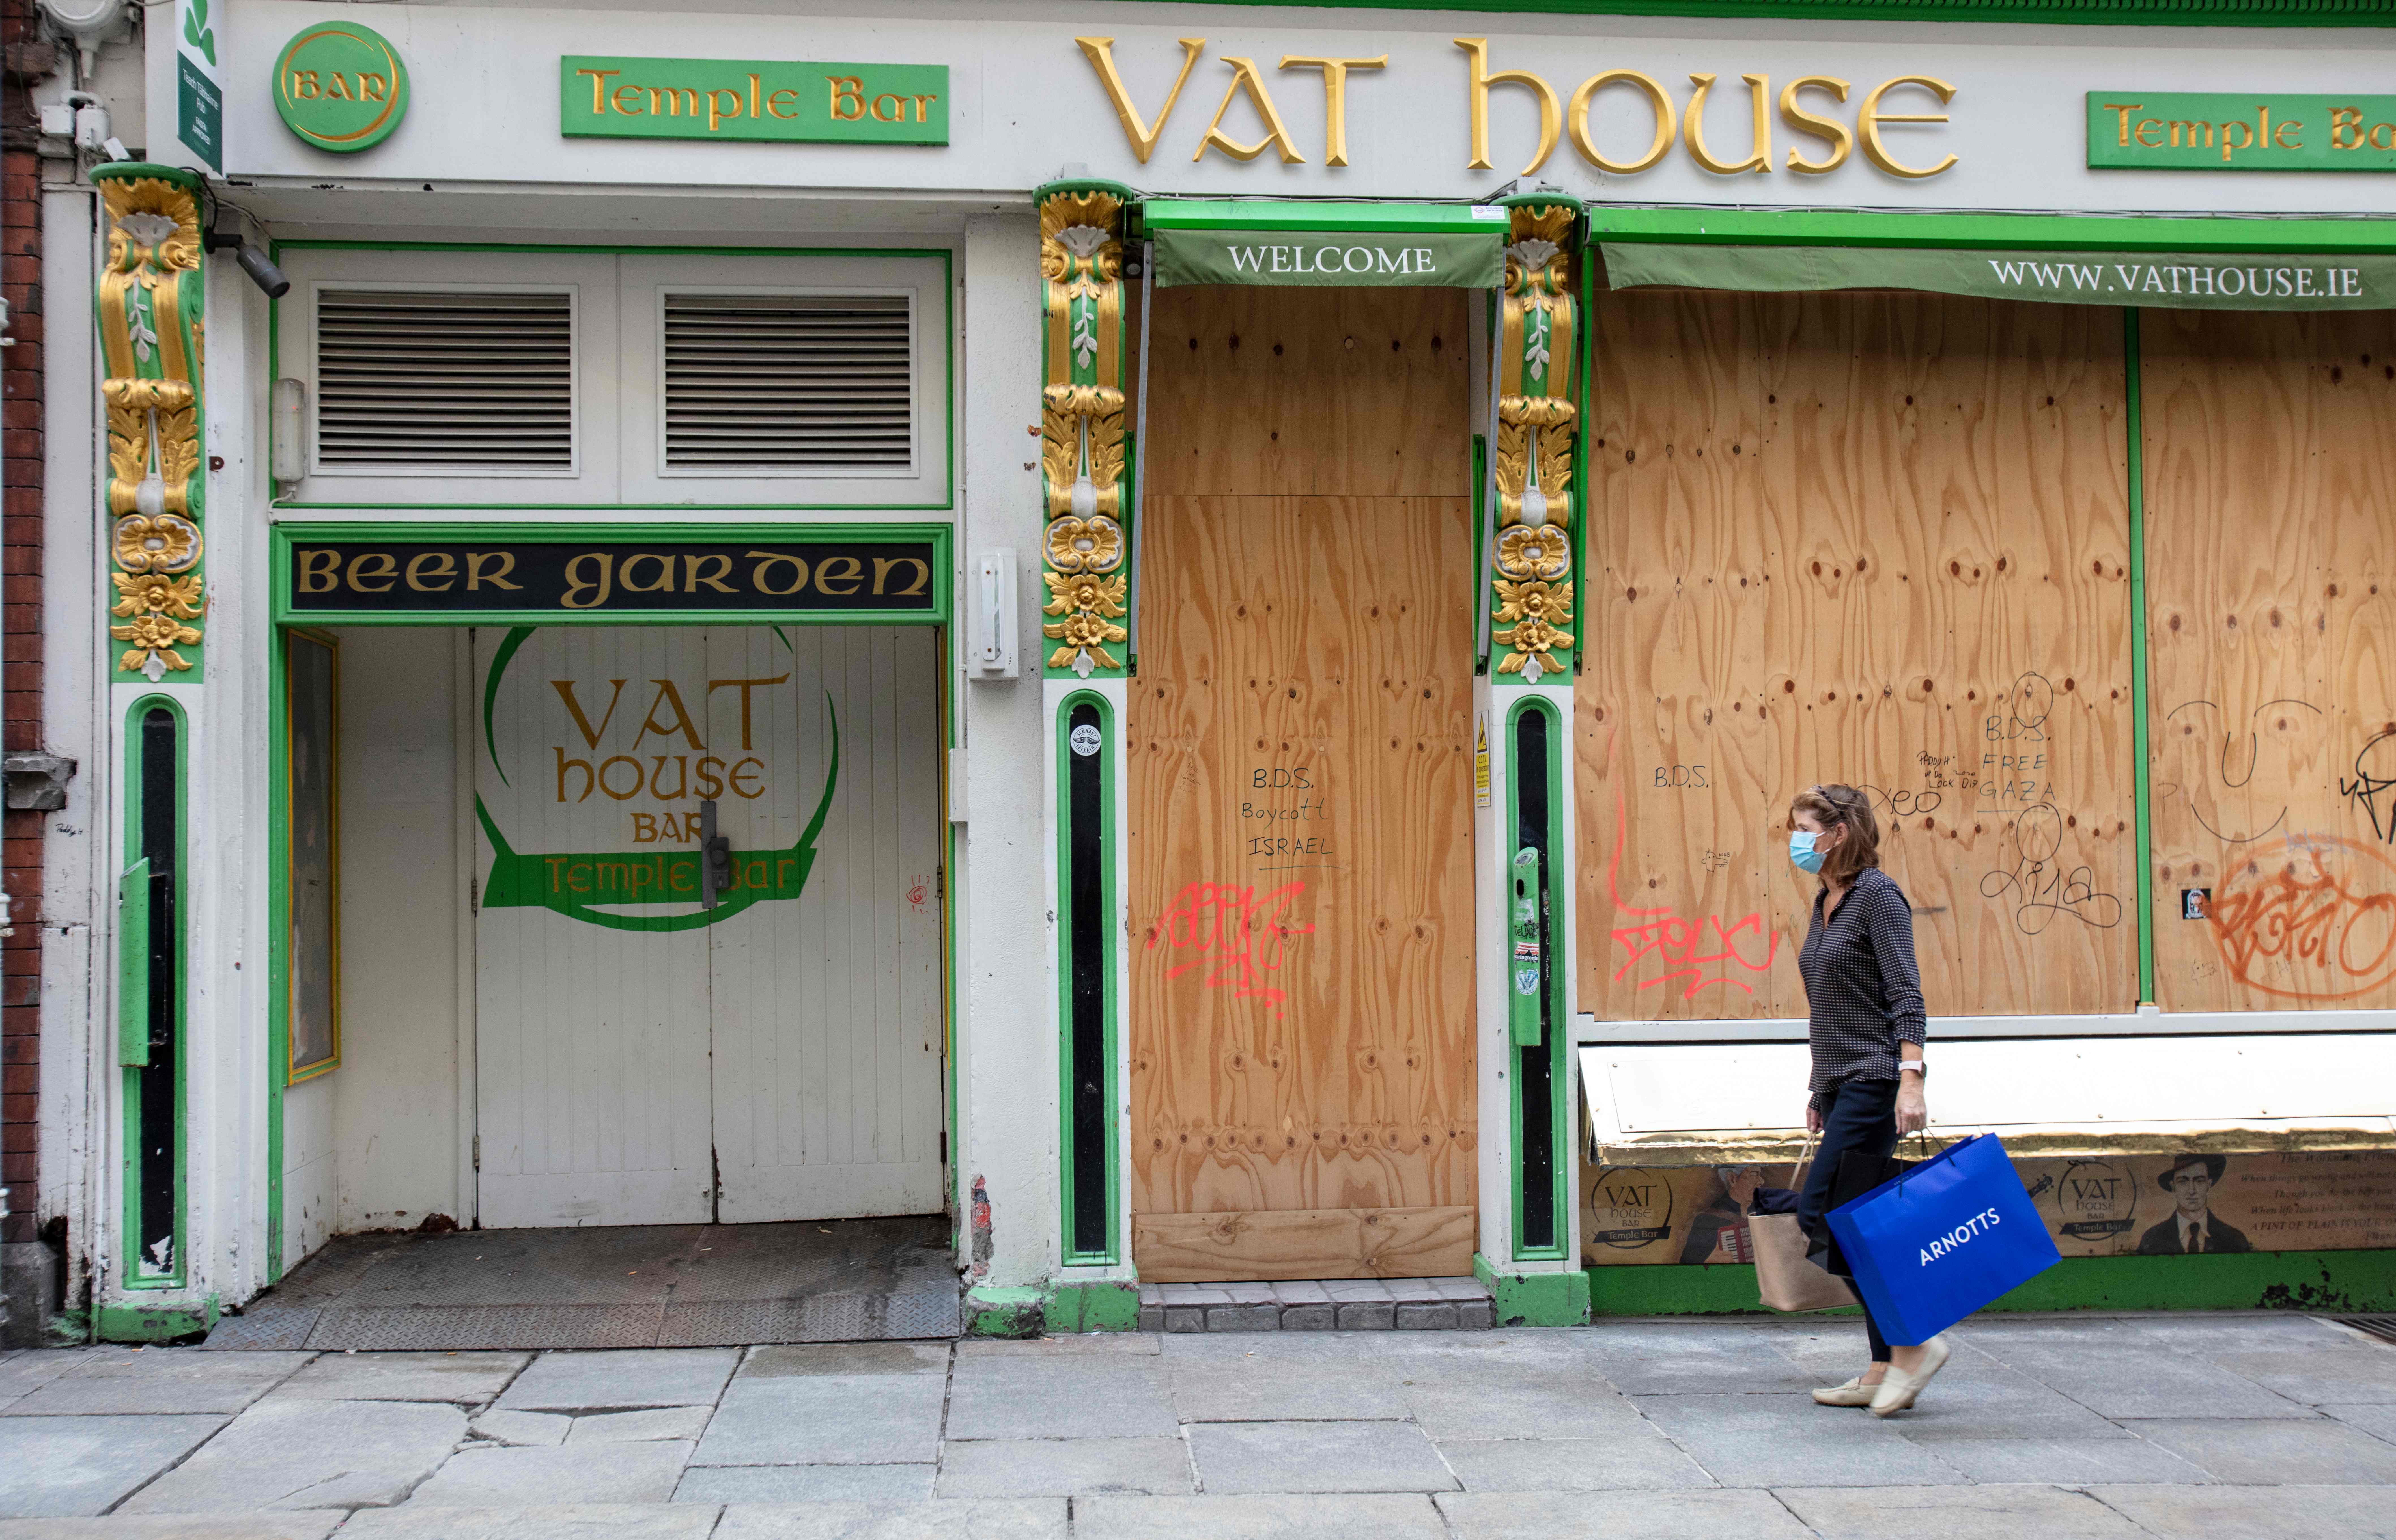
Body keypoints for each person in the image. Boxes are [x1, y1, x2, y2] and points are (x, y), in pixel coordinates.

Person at [1788, 784, 1949, 1417]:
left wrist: (1911, 1078)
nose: (1796, 841)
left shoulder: (1876, 896)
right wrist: (1817, 1089)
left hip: (1876, 1080)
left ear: (1841, 832)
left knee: (1821, 1213)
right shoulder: (1824, 899)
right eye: (1794, 828)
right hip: (1842, 1083)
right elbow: (1829, 1010)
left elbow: (1904, 993)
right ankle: (1885, 1364)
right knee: (1858, 1222)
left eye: (1806, 828)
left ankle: (1913, 1343)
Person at [2136, 1154, 2253, 1255]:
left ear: (2209, 1185)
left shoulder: (2234, 1239)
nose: (2192, 1191)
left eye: (2199, 1181)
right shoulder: (2152, 1239)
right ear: (2173, 1187)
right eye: (2183, 1182)